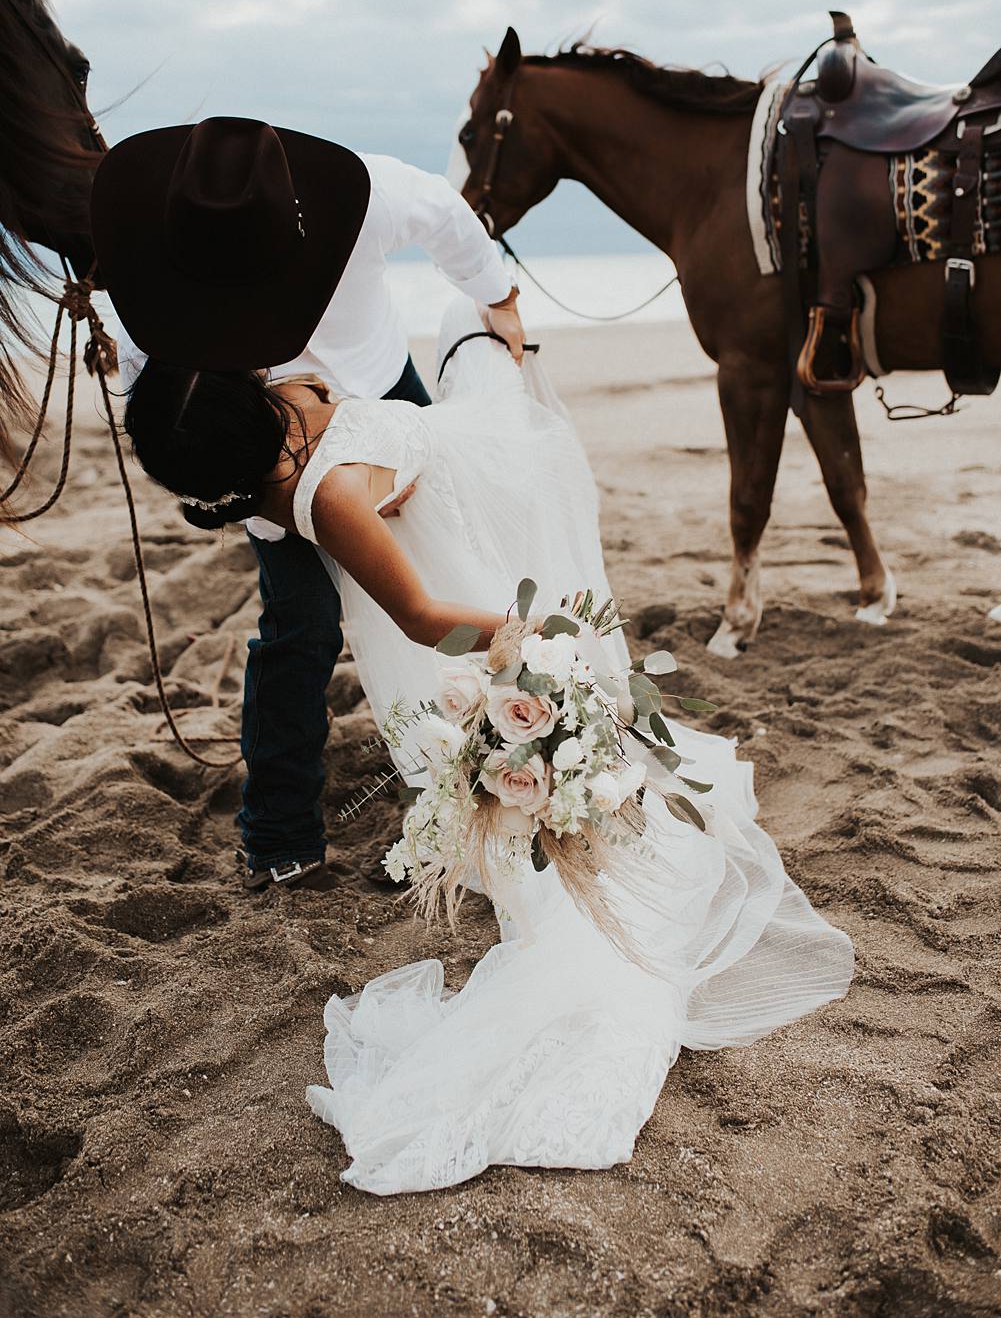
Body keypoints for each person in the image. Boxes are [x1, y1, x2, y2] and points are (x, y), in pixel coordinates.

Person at [97, 119, 854, 1195]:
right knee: (301, 636)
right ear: (265, 423)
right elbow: (415, 612)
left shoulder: (363, 227)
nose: (295, 383)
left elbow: (397, 321)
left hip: (389, 466)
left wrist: (479, 306)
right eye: (278, 391)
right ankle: (282, 832)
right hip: (410, 510)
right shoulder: (313, 473)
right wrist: (510, 641)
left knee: (471, 337)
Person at [93, 116, 525, 891]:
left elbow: (446, 213)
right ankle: (280, 837)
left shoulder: (366, 198)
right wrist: (530, 639)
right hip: (254, 450)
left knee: (460, 564)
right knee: (302, 625)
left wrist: (499, 294)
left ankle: (486, 786)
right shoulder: (148, 276)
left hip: (378, 392)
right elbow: (160, 409)